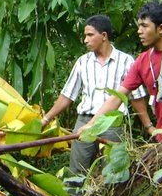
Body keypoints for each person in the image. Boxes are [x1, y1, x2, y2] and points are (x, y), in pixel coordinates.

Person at [83, 1, 162, 141]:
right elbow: (117, 97)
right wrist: (91, 125)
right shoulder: (142, 61)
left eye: (144, 26)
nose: (139, 31)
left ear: (161, 28)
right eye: (139, 25)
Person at [41, 14, 149, 175]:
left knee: (113, 171)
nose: (85, 40)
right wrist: (46, 118)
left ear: (104, 36)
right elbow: (67, 96)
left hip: (113, 123)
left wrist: (148, 126)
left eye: (90, 35)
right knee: (77, 170)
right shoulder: (82, 62)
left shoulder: (126, 61)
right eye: (85, 35)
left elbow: (136, 97)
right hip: (84, 121)